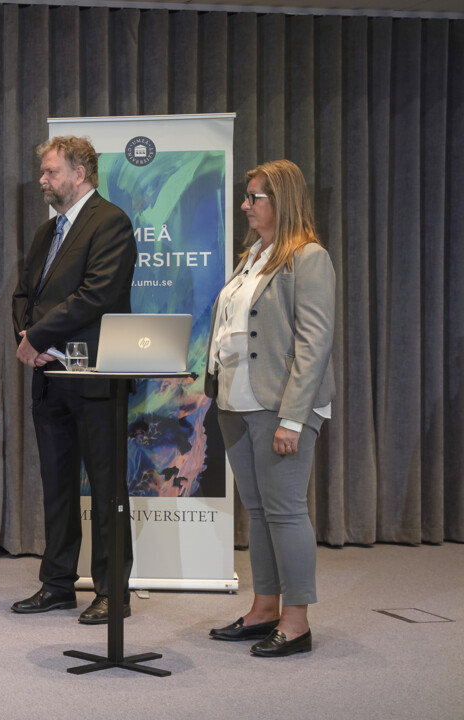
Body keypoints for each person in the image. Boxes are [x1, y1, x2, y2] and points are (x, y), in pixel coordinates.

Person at [205, 159, 335, 658]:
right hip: (235, 402)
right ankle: (264, 609)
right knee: (259, 512)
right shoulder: (253, 257)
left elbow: (314, 344)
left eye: (254, 197)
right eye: (247, 196)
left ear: (281, 200)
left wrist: (293, 418)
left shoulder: (308, 257)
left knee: (285, 512)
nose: (245, 205)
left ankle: (296, 622)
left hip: (281, 406)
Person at [10, 136, 137, 624]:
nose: (42, 180)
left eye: (51, 172)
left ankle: (112, 592)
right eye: (43, 172)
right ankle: (58, 585)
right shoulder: (47, 231)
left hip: (97, 378)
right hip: (50, 376)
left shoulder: (111, 222)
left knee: (107, 489)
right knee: (57, 486)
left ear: (80, 174)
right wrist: (29, 338)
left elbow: (96, 294)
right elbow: (23, 294)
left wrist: (39, 336)